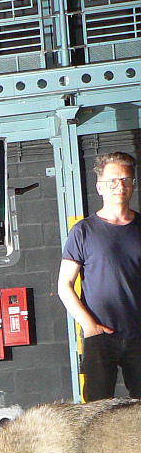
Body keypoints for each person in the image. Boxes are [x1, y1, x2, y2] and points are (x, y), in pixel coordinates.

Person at [58, 150, 141, 401]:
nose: (120, 186)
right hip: (99, 338)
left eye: (126, 180)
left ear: (133, 185)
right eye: (112, 181)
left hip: (138, 336)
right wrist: (89, 326)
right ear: (99, 187)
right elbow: (64, 285)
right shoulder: (83, 231)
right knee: (94, 411)